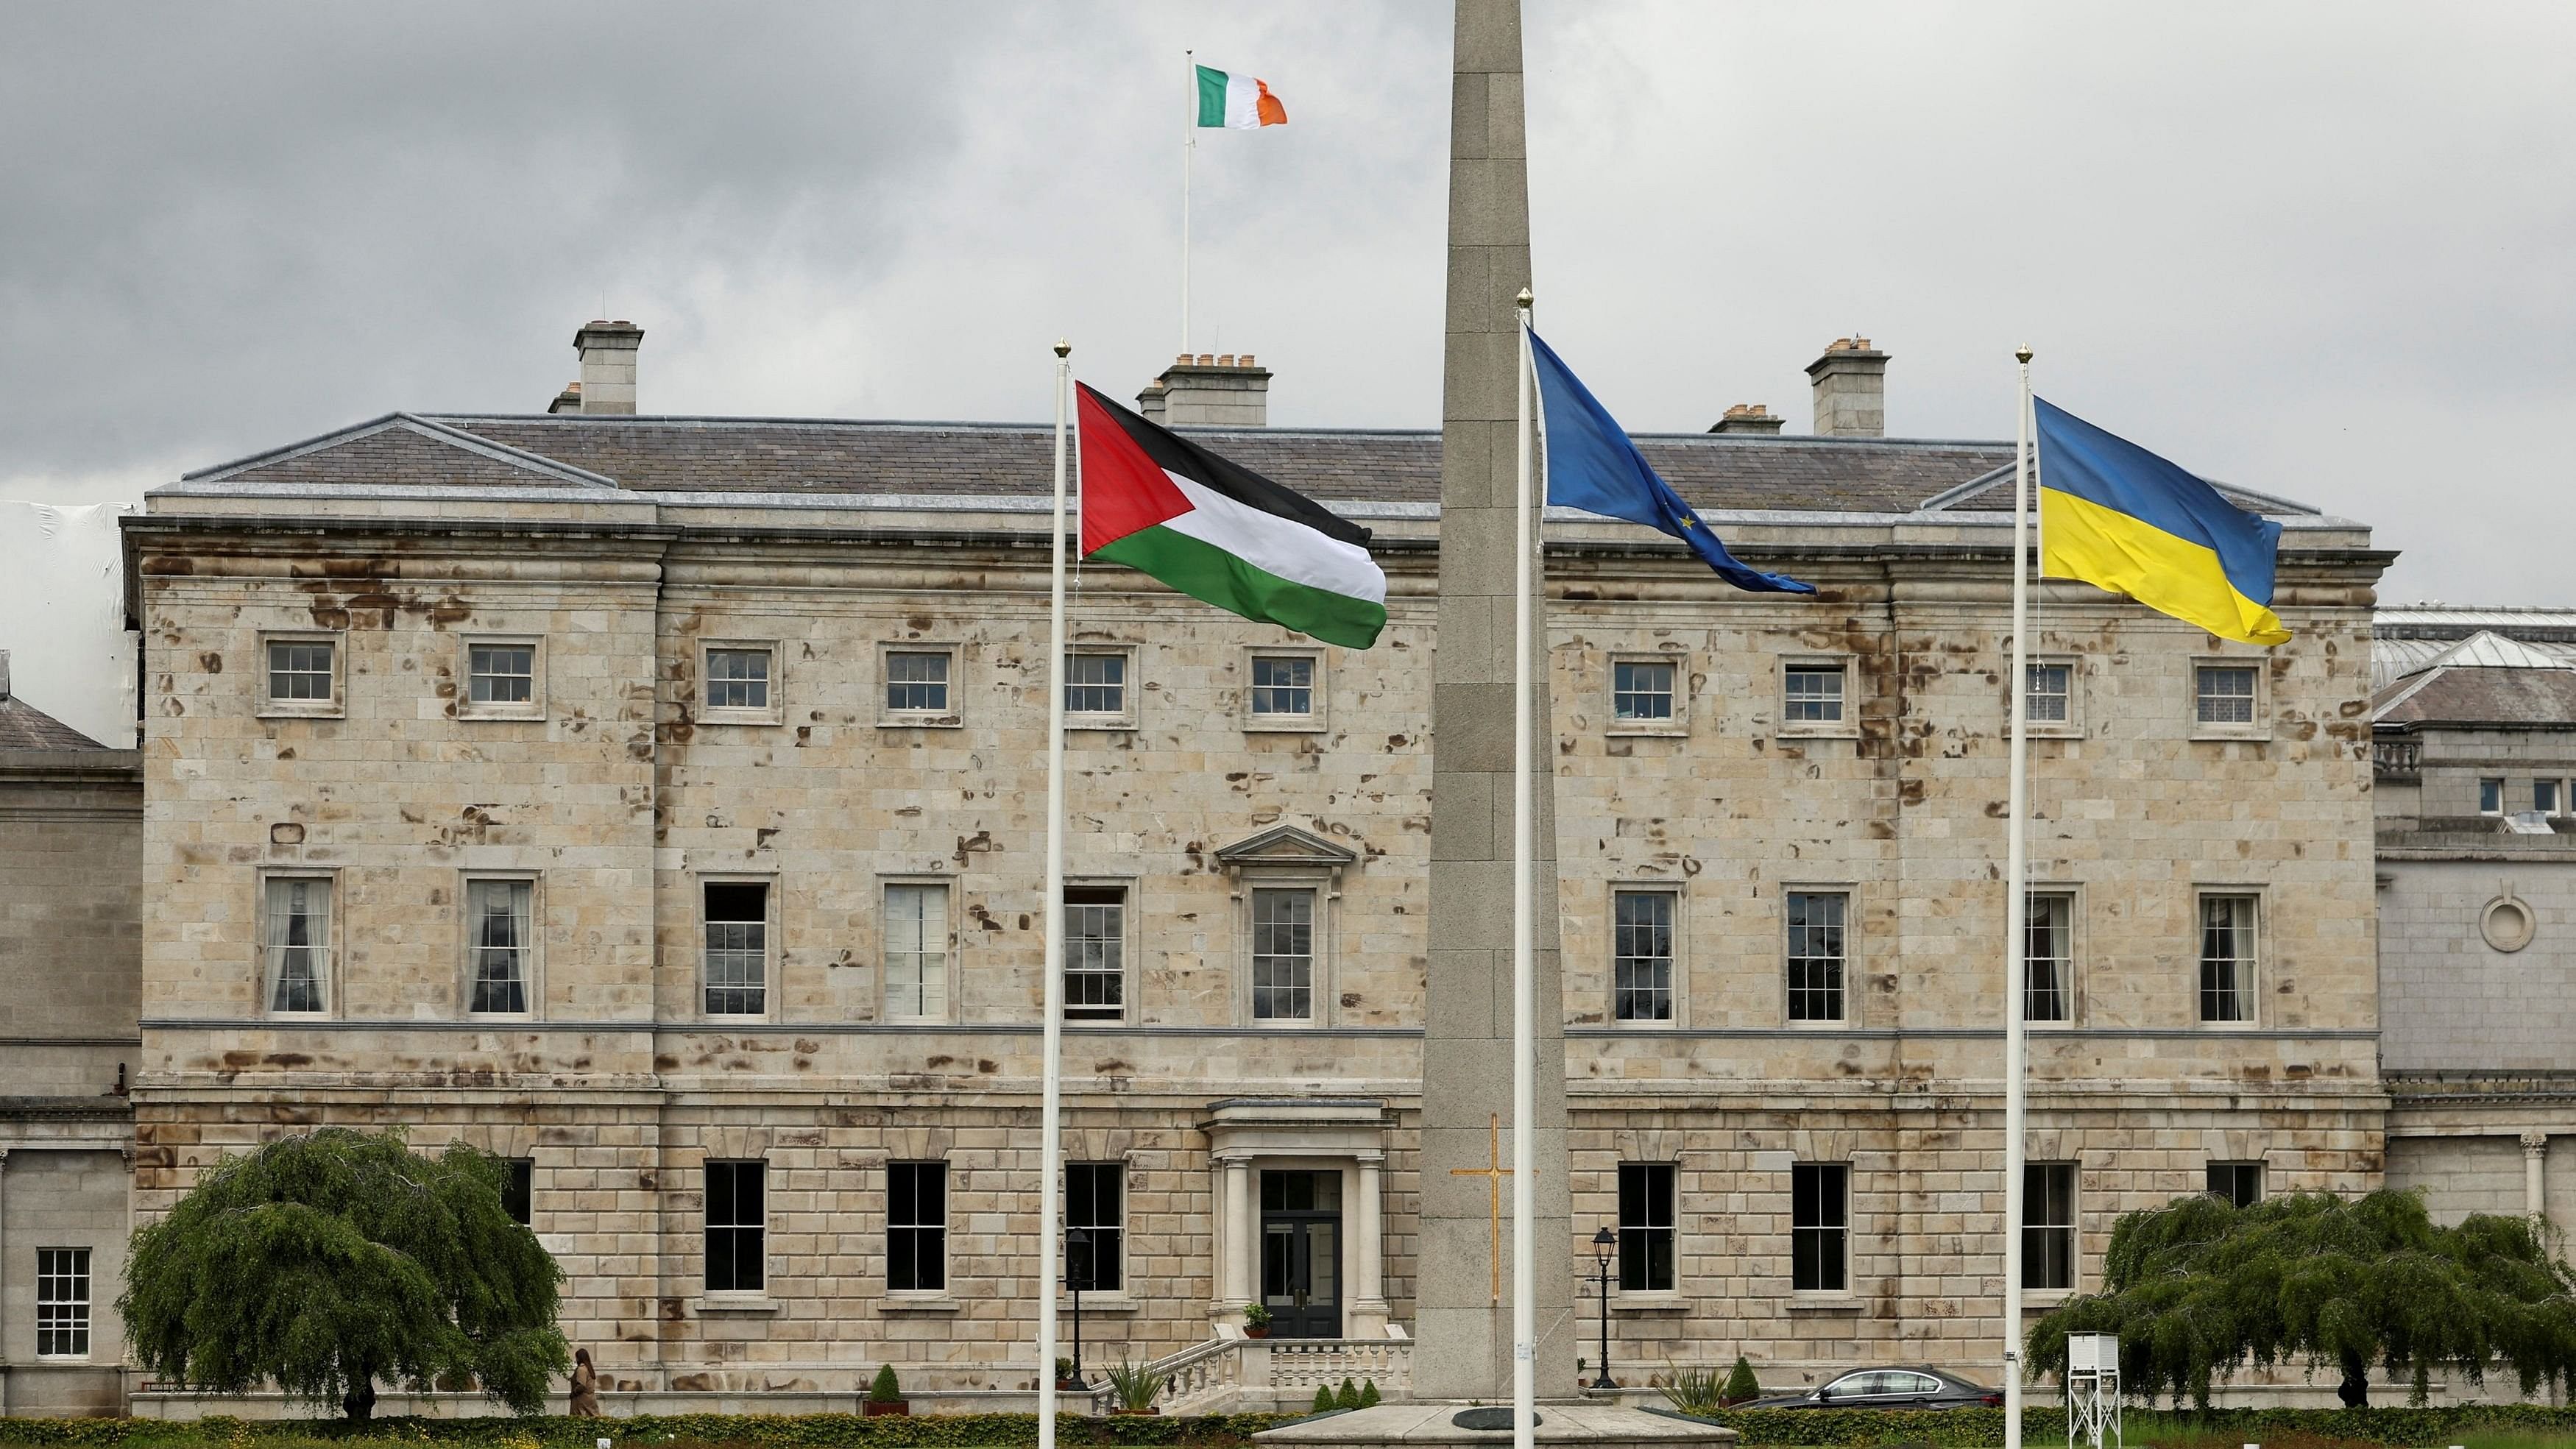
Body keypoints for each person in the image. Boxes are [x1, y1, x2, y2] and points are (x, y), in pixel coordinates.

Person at [570, 1347, 601, 1417]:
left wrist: (573, 1393)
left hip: (582, 1401)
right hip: (590, 1399)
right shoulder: (589, 1368)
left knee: (580, 1419)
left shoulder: (581, 1369)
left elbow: (581, 1386)